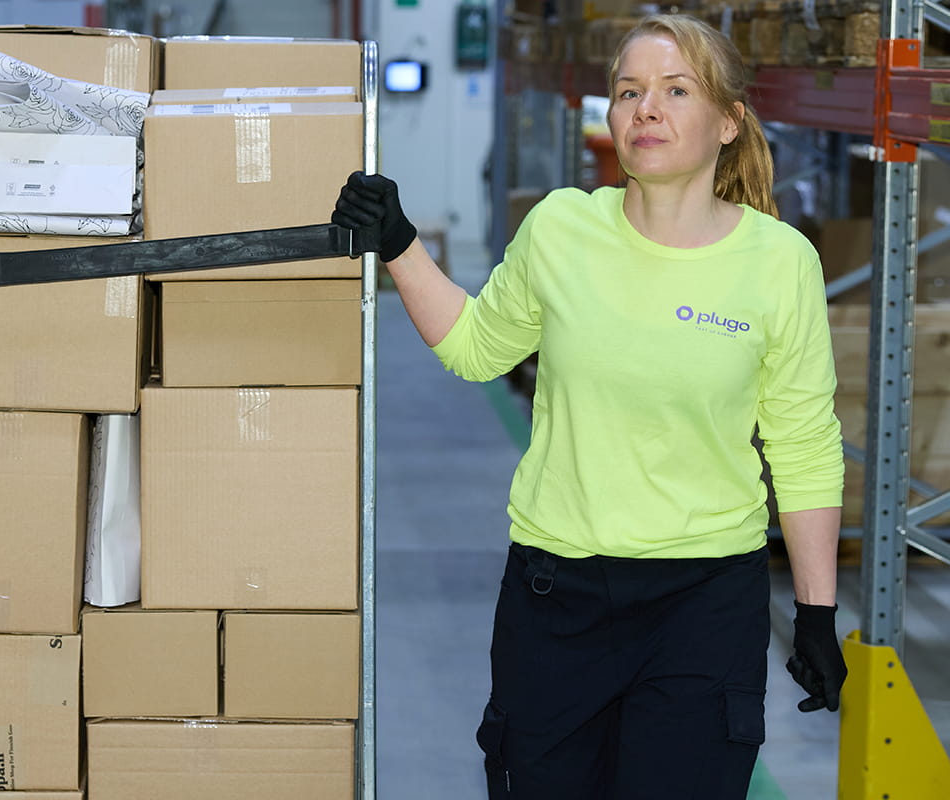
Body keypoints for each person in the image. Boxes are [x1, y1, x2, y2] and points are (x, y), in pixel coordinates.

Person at [333, 13, 847, 799]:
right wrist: (399, 242)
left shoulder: (780, 262)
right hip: (557, 597)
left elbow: (804, 444)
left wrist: (815, 613)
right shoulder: (561, 228)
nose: (647, 109)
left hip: (704, 603)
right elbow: (476, 347)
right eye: (629, 91)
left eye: (677, 90)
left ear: (729, 122)